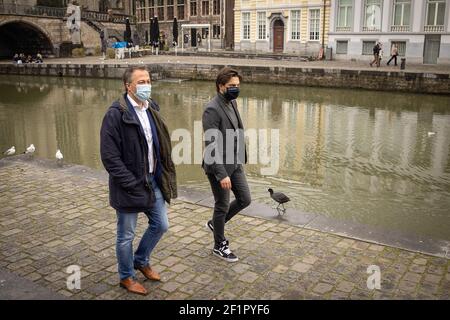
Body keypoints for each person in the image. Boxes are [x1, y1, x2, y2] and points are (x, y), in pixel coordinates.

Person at [100, 66, 177, 295]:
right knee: (126, 236)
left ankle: (141, 259)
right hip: (129, 186)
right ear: (128, 86)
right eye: (141, 81)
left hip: (153, 181)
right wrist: (131, 183)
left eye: (148, 80)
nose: (146, 85)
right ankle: (126, 277)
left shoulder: (151, 107)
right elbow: (110, 158)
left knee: (161, 224)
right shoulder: (115, 114)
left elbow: (157, 145)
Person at [202, 67, 251, 263]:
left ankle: (215, 224)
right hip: (218, 166)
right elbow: (211, 144)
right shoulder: (212, 109)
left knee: (245, 199)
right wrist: (222, 174)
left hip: (235, 161)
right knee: (221, 205)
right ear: (221, 86)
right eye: (232, 86)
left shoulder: (232, 103)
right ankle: (219, 246)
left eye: (237, 85)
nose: (235, 89)